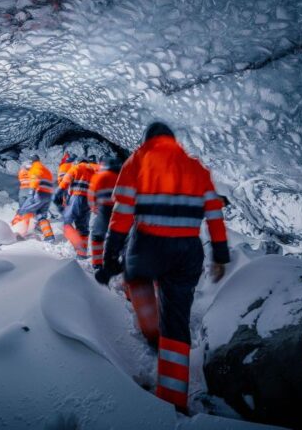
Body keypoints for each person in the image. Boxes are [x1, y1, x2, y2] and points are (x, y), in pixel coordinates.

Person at [95, 122, 230, 412]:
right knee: (177, 321)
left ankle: (151, 331)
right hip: (187, 251)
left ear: (147, 140)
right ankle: (172, 397)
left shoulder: (139, 160)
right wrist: (220, 254)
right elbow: (214, 214)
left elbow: (121, 215)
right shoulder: (195, 167)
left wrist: (110, 258)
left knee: (137, 278)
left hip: (149, 245)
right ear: (172, 140)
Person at [54, 157, 96, 258]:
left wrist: (57, 197)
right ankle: (82, 254)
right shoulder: (94, 172)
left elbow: (64, 183)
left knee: (67, 224)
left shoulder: (76, 168)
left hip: (77, 198)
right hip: (89, 201)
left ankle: (79, 248)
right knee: (83, 228)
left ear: (79, 162)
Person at [87, 156, 122, 269]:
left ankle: (97, 263)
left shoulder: (98, 176)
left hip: (103, 210)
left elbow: (91, 194)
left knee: (97, 236)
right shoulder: (120, 176)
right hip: (119, 210)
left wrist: (93, 208)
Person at [11, 154, 55, 241]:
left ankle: (16, 232)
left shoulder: (25, 168)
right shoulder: (43, 169)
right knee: (39, 215)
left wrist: (32, 192)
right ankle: (48, 235)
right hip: (42, 193)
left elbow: (27, 178)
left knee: (23, 211)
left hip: (28, 191)